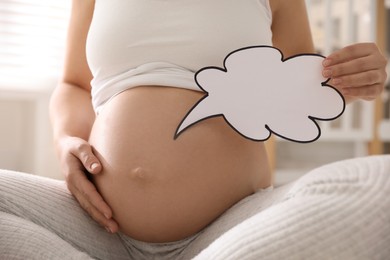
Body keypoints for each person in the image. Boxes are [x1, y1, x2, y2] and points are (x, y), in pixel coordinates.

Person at [0, 0, 388, 259]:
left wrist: (349, 82)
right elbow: (72, 85)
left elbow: (299, 91)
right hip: (100, 230)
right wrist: (65, 140)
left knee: (380, 183)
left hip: (234, 229)